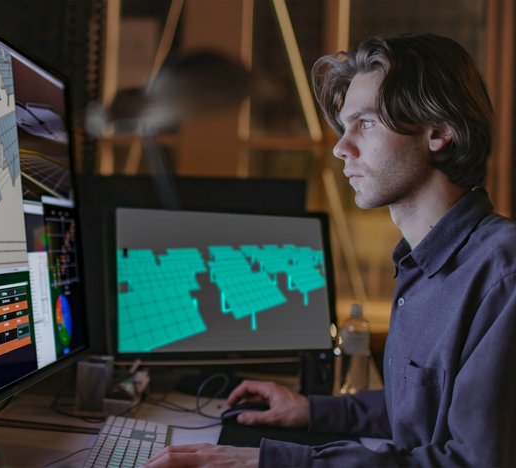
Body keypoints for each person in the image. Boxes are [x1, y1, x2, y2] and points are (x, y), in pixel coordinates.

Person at [144, 33, 516, 467]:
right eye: (345, 126)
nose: (341, 147)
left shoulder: (502, 275)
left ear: (439, 131)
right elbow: (419, 411)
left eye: (367, 123)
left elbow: (469, 463)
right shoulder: (418, 265)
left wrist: (261, 462)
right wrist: (311, 410)